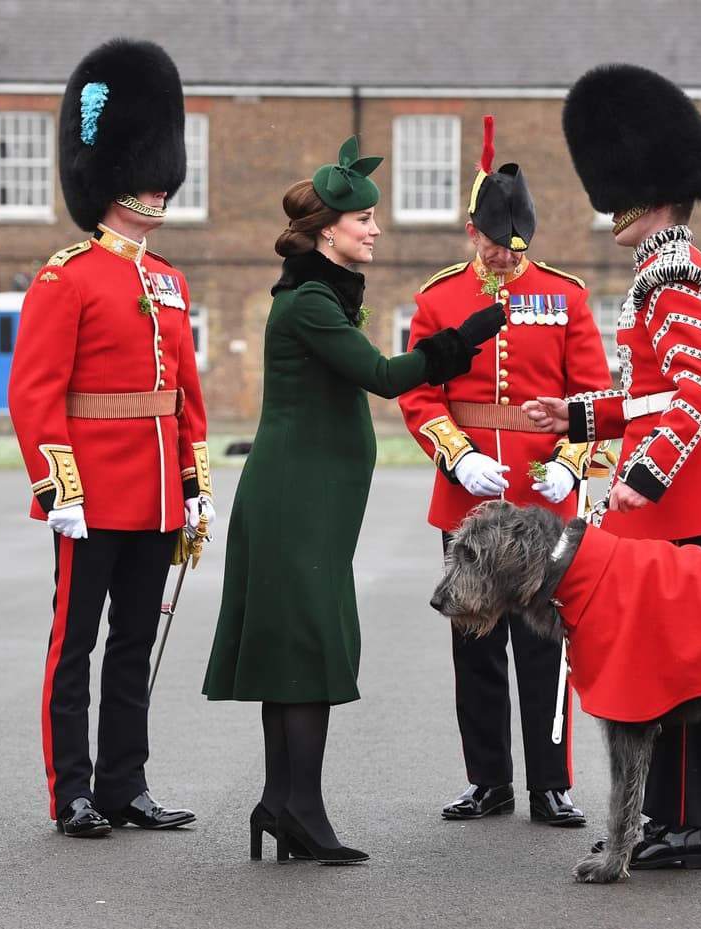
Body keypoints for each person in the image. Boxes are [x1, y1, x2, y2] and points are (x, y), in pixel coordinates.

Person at [202, 136, 505, 865]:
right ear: (328, 230)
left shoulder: (320, 295)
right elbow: (383, 373)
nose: (375, 228)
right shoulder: (309, 302)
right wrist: (458, 338)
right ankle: (298, 808)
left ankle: (282, 803)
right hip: (295, 501)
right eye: (363, 219)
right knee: (306, 646)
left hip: (313, 500)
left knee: (300, 647)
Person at [525, 62, 701, 870]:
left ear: (650, 192)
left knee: (686, 664)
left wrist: (644, 477)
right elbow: (650, 395)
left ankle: (689, 825)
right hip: (668, 501)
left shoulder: (677, 277)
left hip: (679, 503)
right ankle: (668, 815)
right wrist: (579, 414)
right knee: (663, 662)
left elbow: (698, 395)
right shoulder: (656, 274)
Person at [8, 38, 212, 839]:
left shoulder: (169, 280)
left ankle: (126, 783)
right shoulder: (68, 276)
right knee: (75, 647)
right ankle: (73, 791)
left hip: (159, 490)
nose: (156, 183)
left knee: (136, 641)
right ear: (109, 180)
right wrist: (59, 488)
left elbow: (185, 395)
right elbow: (35, 394)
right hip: (91, 491)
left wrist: (194, 488)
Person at [398, 116, 611, 828]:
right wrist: (458, 453)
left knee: (545, 646)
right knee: (475, 645)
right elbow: (421, 392)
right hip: (469, 499)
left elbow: (591, 396)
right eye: (491, 245)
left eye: (512, 249)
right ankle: (488, 779)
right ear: (471, 230)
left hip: (542, 503)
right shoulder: (438, 298)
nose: (500, 259)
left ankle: (551, 782)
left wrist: (571, 464)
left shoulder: (567, 296)